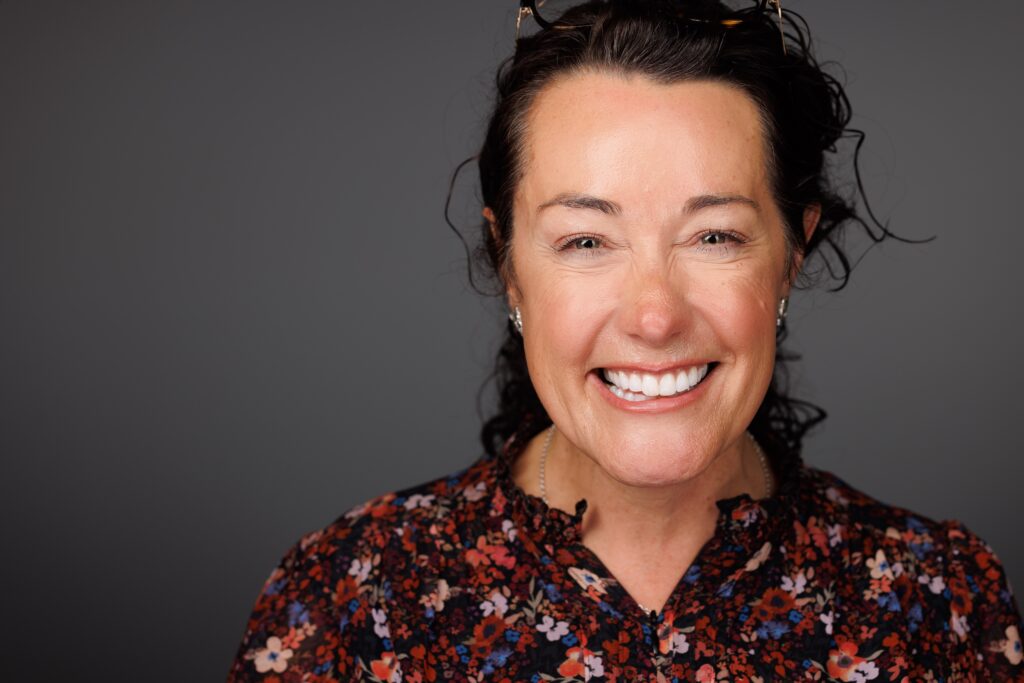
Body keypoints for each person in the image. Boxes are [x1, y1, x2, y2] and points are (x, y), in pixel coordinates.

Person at [227, 1, 1024, 680]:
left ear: (791, 255)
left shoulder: (938, 600)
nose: (654, 315)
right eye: (584, 241)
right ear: (509, 267)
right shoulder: (352, 600)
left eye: (714, 236)